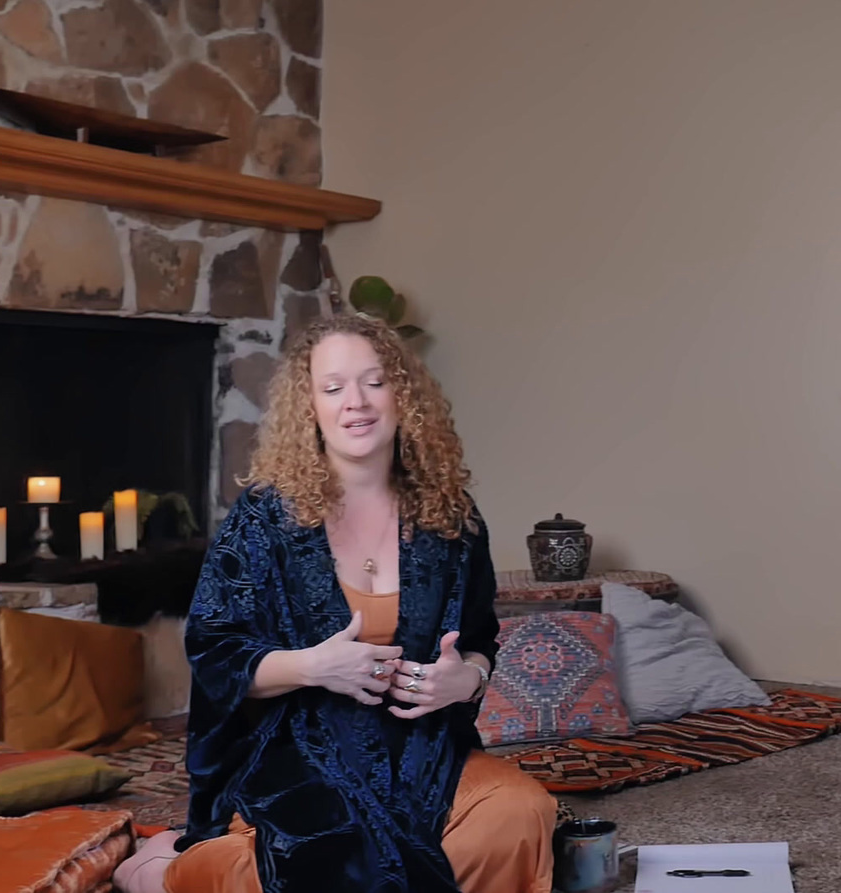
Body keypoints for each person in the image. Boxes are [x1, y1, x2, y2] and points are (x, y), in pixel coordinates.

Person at [113, 314, 557, 893]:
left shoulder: (453, 518)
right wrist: (314, 666)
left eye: (374, 381)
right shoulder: (265, 518)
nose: (357, 402)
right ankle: (174, 873)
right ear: (310, 409)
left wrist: (465, 680)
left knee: (519, 816)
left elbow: (479, 639)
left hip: (421, 751)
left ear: (403, 396)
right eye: (333, 387)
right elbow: (215, 653)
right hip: (296, 750)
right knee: (344, 858)